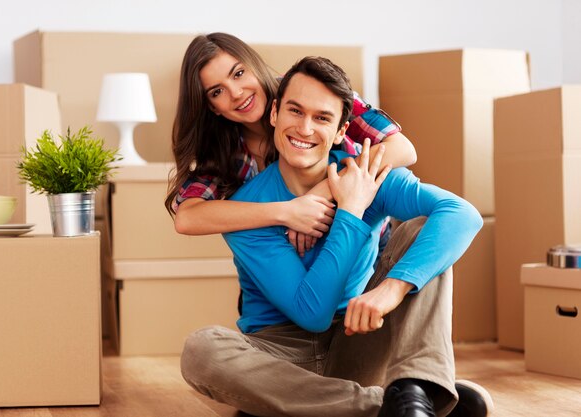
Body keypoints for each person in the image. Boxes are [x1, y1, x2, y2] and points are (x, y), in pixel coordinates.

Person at [180, 56, 493, 417]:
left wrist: (390, 290)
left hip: (358, 335)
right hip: (282, 355)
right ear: (275, 114)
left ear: (343, 130)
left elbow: (462, 215)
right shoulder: (248, 207)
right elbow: (311, 313)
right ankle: (403, 405)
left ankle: (409, 387)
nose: (305, 129)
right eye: (295, 112)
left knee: (423, 230)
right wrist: (349, 212)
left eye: (322, 118)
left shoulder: (366, 175)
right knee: (201, 349)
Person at [164, 32, 417, 256]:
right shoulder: (224, 152)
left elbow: (402, 148)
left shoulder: (310, 88)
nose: (237, 93)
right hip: (291, 270)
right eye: (217, 91)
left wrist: (322, 192)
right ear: (212, 107)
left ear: (254, 65)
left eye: (239, 74)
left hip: (368, 246)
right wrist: (288, 212)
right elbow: (187, 218)